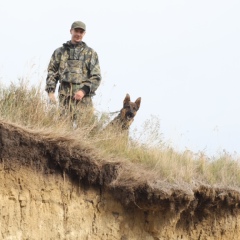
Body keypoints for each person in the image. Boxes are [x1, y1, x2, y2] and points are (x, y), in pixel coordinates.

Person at [45, 20, 101, 122]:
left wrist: (83, 91)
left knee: (85, 130)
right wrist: (50, 91)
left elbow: (96, 77)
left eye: (81, 32)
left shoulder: (90, 53)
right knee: (63, 130)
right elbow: (52, 72)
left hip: (84, 99)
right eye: (76, 31)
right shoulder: (60, 52)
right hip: (64, 97)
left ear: (84, 34)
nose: (78, 34)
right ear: (71, 31)